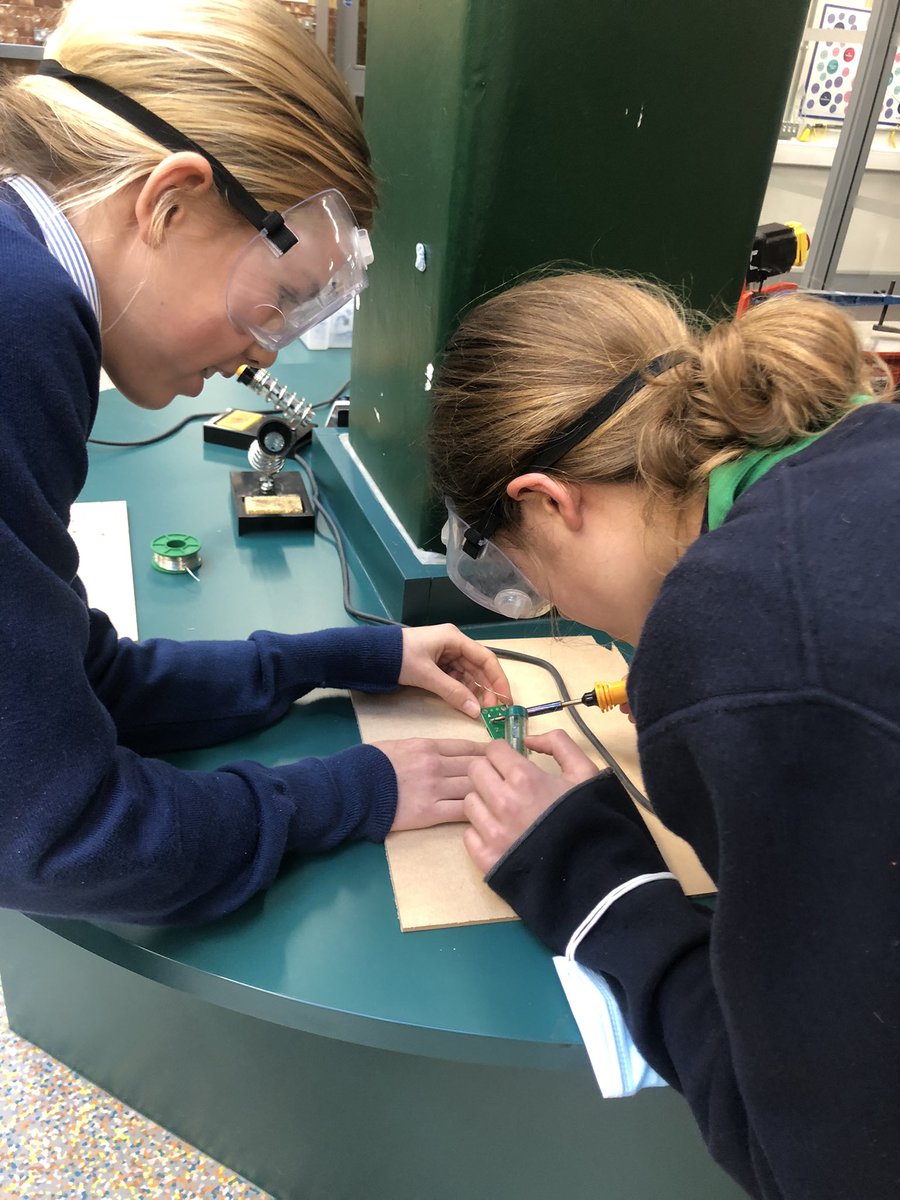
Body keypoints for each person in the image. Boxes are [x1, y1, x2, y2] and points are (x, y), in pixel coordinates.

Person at [0, 0, 510, 927]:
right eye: (274, 301)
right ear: (170, 201)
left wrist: (358, 654)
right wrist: (354, 790)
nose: (264, 357)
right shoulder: (16, 322)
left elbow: (81, 682)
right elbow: (66, 837)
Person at [428, 271, 899, 1200]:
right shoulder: (863, 446)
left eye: (530, 580)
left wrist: (601, 882)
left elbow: (822, 1165)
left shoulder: (743, 652)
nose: (558, 609)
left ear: (548, 502)